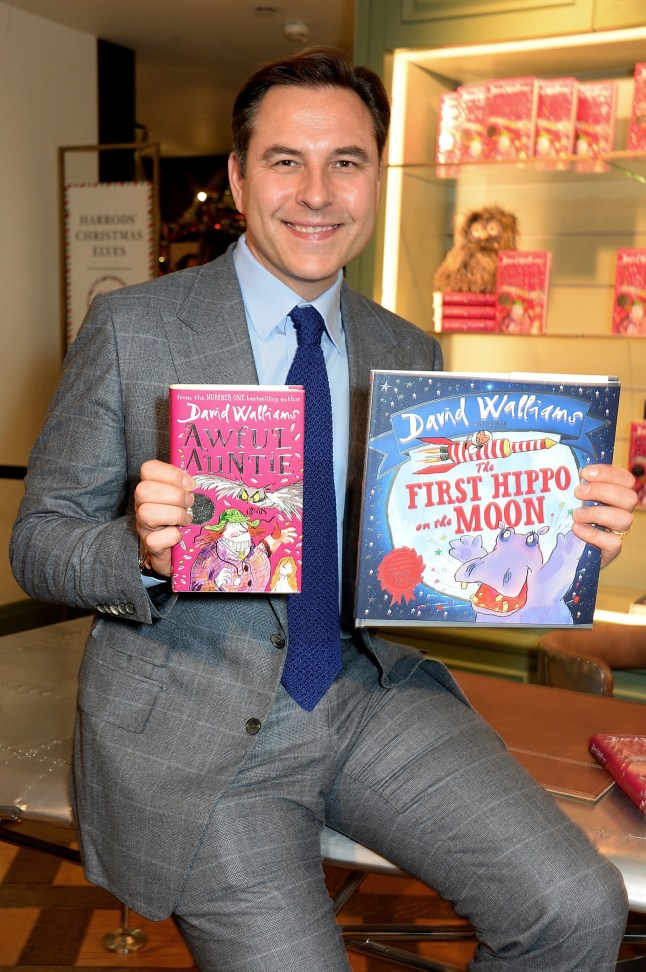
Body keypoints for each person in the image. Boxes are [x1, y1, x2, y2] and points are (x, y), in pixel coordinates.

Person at [11, 47, 637, 972]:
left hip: (366, 694)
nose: (316, 192)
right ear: (237, 175)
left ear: (375, 178)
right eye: (284, 160)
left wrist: (559, 539)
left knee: (578, 907)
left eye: (345, 161)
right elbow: (39, 541)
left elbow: (437, 543)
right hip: (202, 725)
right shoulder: (135, 328)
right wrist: (143, 551)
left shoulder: (405, 345)